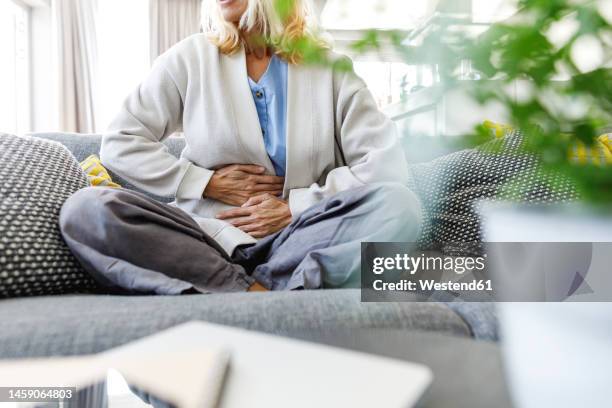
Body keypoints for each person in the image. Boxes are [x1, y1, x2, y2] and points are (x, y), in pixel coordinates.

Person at [59, 0, 422, 294]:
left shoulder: (330, 69)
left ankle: (255, 285)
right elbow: (121, 141)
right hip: (203, 237)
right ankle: (253, 290)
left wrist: (293, 207)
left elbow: (385, 165)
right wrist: (204, 182)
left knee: (399, 206)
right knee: (88, 210)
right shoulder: (188, 58)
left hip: (298, 238)